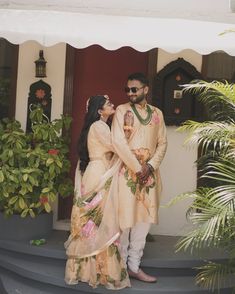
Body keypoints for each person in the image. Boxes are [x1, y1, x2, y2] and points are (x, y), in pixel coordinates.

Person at [65, 95, 130, 290]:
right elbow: (116, 147)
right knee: (101, 221)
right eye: (108, 104)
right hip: (99, 173)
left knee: (94, 222)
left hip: (96, 171)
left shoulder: (99, 126)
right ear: (100, 110)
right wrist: (128, 131)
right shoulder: (99, 127)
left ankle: (88, 270)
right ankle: (101, 272)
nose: (112, 105)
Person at [111, 72, 167, 283]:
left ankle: (134, 266)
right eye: (127, 89)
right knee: (125, 221)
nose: (130, 93)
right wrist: (137, 168)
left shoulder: (157, 114)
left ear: (146, 89)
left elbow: (162, 143)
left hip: (150, 177)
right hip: (128, 174)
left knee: (143, 222)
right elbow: (118, 142)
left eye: (134, 89)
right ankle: (121, 267)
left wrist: (150, 166)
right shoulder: (121, 110)